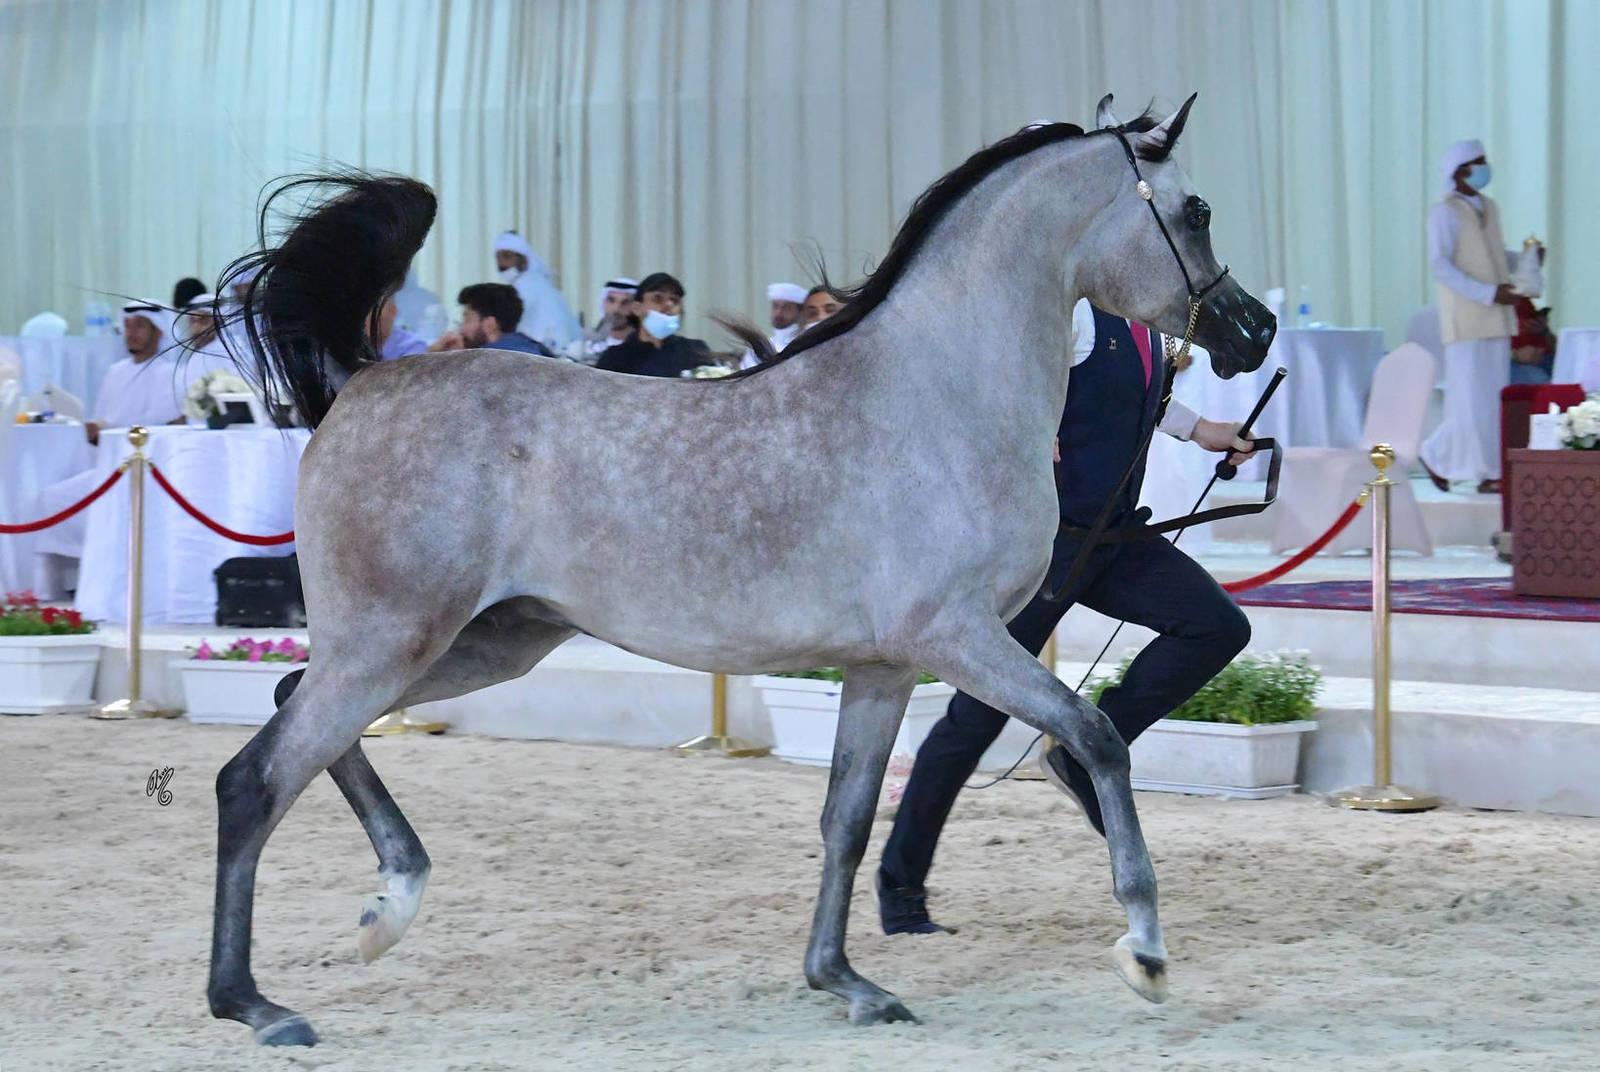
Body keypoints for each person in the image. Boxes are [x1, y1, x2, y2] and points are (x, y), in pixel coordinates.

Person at [875, 299, 1256, 936]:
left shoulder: (1141, 327)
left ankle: (1082, 755)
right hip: (1042, 551)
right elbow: (992, 381)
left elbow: (1133, 397)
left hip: (1114, 541)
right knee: (975, 719)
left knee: (1217, 627)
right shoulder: (1069, 314)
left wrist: (1203, 430)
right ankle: (901, 887)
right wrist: (1025, 424)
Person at [1419, 139, 1519, 495]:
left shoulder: (1488, 206)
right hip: (1467, 319)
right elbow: (1441, 266)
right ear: (1459, 170)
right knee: (1470, 401)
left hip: (1497, 318)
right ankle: (1456, 461)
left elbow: (1491, 256)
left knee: (1492, 400)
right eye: (1477, 162)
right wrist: (1489, 293)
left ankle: (1481, 468)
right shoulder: (1444, 211)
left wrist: (1524, 261)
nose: (1484, 168)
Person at [83, 301, 195, 444]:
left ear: (159, 332)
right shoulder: (115, 371)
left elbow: (164, 425)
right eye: (127, 325)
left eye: (139, 326)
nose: (131, 333)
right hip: (114, 450)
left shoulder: (173, 373)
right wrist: (96, 428)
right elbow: (103, 418)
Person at [595, 273, 713, 378]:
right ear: (637, 308)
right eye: (658, 298)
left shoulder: (696, 351)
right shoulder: (614, 357)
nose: (668, 304)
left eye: (674, 300)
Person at [492, 231, 580, 351]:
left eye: (507, 256)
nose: (501, 264)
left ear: (522, 258)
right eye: (498, 257)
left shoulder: (528, 285)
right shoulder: (534, 282)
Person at [428, 284, 553, 357]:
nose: (461, 329)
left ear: (490, 324)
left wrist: (438, 357)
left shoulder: (491, 362)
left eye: (467, 319)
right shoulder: (532, 349)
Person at [738, 282, 808, 369]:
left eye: (786, 307)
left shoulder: (806, 344)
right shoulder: (761, 346)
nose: (779, 312)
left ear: (800, 311)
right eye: (775, 306)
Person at [578, 276, 638, 361]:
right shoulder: (585, 345)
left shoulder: (641, 346)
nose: (616, 309)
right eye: (611, 300)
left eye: (625, 302)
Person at [371, 295, 429, 360]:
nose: (369, 317)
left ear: (393, 311)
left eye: (376, 310)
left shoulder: (412, 345)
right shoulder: (360, 344)